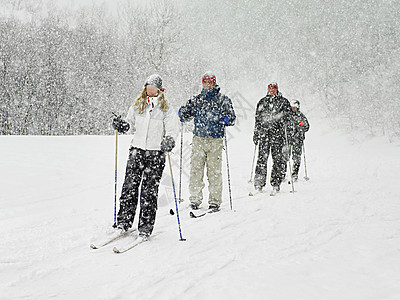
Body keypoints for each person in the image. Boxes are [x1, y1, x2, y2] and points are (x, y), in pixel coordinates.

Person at [111, 74, 177, 240]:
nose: (150, 91)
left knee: (149, 192)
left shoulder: (166, 109)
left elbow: (172, 129)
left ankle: (145, 227)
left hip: (155, 154)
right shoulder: (138, 105)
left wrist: (169, 139)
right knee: (129, 188)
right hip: (137, 151)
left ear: (160, 90)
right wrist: (122, 125)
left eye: (153, 88)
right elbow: (129, 123)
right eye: (148, 88)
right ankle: (123, 222)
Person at [178, 72, 236, 211]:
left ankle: (214, 201)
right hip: (199, 138)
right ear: (202, 83)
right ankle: (195, 199)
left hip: (215, 139)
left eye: (210, 82)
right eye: (205, 82)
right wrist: (182, 113)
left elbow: (232, 117)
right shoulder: (197, 99)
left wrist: (227, 119)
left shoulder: (223, 100)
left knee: (214, 171)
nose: (208, 84)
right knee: (196, 170)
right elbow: (186, 114)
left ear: (214, 83)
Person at [253, 82, 291, 195]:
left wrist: (285, 121)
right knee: (262, 159)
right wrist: (256, 133)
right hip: (264, 134)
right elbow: (257, 119)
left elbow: (288, 117)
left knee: (277, 159)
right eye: (270, 89)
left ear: (277, 90)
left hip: (278, 135)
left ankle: (276, 183)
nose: (272, 91)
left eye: (274, 89)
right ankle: (259, 183)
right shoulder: (262, 102)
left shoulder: (283, 102)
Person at [288, 99, 310, 181]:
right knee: (285, 157)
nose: (293, 109)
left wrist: (301, 128)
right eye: (292, 107)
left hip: (298, 139)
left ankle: (294, 174)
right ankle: (282, 174)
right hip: (288, 139)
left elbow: (307, 127)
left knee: (296, 158)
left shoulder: (301, 116)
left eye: (295, 107)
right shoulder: (287, 116)